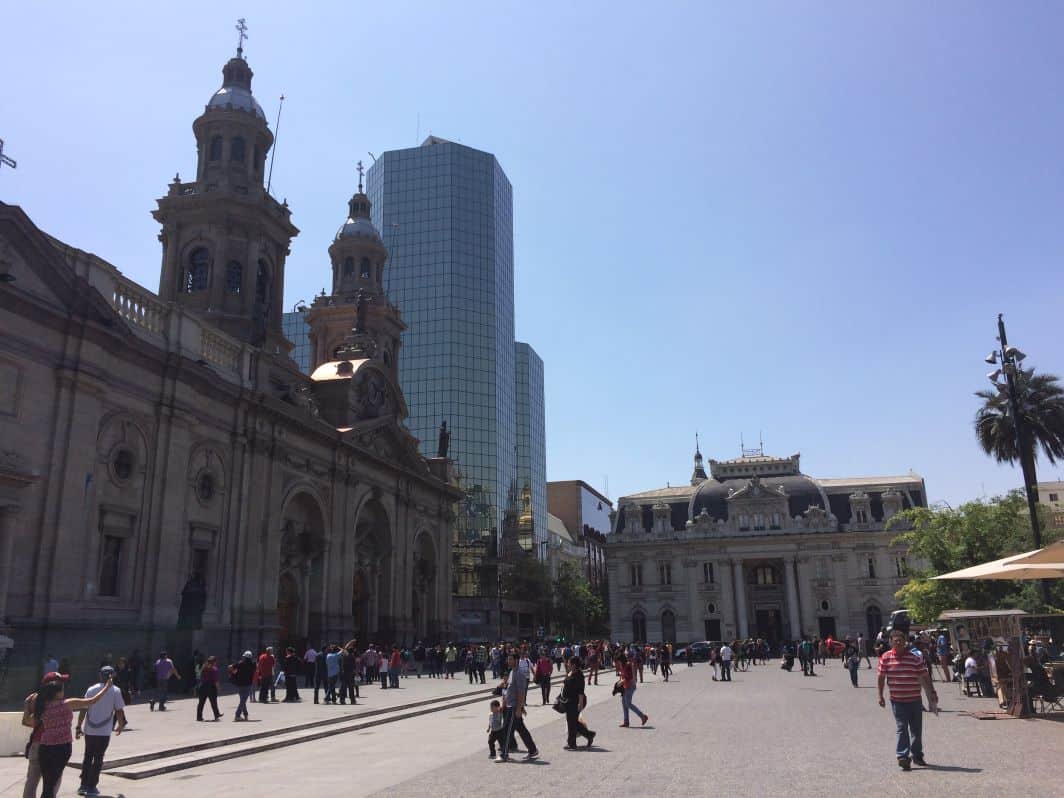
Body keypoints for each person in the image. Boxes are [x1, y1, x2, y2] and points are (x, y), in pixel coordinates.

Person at [31, 671, 113, 798]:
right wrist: (107, 688)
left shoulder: (42, 706)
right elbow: (92, 701)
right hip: (62, 747)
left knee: (48, 782)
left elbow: (32, 721)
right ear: (57, 692)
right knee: (52, 782)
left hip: (45, 747)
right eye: (62, 689)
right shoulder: (67, 703)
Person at [878, 629, 938, 771]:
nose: (898, 643)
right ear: (891, 642)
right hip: (897, 700)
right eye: (895, 640)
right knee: (901, 727)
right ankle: (903, 756)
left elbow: (925, 676)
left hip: (915, 699)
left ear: (905, 642)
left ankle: (917, 755)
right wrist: (880, 695)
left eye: (901, 640)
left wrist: (932, 692)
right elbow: (881, 677)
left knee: (916, 730)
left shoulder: (914, 658)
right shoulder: (885, 658)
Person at [76, 665, 126, 796]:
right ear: (112, 676)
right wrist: (120, 725)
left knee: (88, 757)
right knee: (98, 758)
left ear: (100, 675)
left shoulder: (91, 689)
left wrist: (78, 725)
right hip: (104, 731)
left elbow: (83, 708)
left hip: (90, 730)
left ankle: (83, 785)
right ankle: (92, 786)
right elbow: (119, 710)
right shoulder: (115, 691)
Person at [497, 652, 538, 762]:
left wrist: (519, 708)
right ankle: (533, 750)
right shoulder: (512, 672)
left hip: (514, 707)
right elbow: (509, 690)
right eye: (508, 659)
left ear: (516, 661)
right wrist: (504, 703)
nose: (508, 661)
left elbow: (521, 693)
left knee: (506, 730)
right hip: (511, 705)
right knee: (521, 729)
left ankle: (504, 754)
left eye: (511, 659)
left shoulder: (519, 674)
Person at [561, 655, 595, 750]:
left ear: (574, 665)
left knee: (571, 723)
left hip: (575, 701)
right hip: (568, 701)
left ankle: (572, 744)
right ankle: (589, 735)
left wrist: (580, 703)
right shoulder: (571, 673)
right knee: (573, 722)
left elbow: (581, 691)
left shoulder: (579, 675)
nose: (567, 664)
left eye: (569, 663)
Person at [615, 652, 648, 727]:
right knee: (624, 704)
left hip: (630, 686)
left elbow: (629, 677)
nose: (617, 663)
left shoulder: (627, 666)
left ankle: (643, 716)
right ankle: (626, 722)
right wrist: (621, 682)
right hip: (626, 686)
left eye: (618, 661)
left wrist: (621, 682)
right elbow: (623, 677)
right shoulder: (623, 666)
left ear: (621, 660)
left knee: (628, 704)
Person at [228, 651, 256, 721]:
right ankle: (237, 715)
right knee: (243, 701)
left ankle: (245, 714)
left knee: (242, 700)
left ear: (244, 657)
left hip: (240, 684)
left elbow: (230, 667)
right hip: (248, 684)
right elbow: (255, 669)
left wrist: (233, 672)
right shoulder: (253, 664)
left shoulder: (240, 664)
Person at [196, 655, 222, 720]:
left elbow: (200, 676)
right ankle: (216, 715)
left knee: (201, 703)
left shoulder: (203, 668)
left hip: (202, 686)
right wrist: (218, 689)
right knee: (213, 702)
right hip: (211, 687)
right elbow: (216, 680)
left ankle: (199, 717)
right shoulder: (214, 669)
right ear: (214, 662)